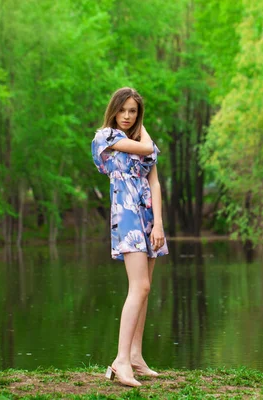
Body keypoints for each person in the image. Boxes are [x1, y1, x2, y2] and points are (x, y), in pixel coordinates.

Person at [91, 87, 169, 387]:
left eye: (133, 111)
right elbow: (147, 150)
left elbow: (155, 181)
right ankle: (120, 361)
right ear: (113, 110)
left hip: (148, 217)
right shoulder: (106, 137)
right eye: (122, 109)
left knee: (146, 289)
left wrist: (158, 224)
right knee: (140, 285)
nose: (127, 115)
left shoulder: (138, 140)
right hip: (126, 215)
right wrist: (143, 133)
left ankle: (135, 356)